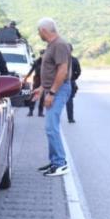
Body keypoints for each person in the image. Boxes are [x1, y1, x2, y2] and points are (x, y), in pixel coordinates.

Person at [34, 17, 72, 177]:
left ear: (44, 30)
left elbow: (62, 71)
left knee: (52, 127)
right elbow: (51, 71)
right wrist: (42, 88)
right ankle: (55, 161)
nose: (38, 34)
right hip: (52, 89)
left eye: (38, 31)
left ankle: (60, 163)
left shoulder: (60, 45)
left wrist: (52, 93)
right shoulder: (52, 45)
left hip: (59, 90)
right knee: (50, 128)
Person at [23, 50, 44, 117]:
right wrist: (26, 78)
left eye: (44, 54)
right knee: (34, 96)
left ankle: (40, 112)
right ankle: (31, 111)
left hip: (44, 81)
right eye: (41, 54)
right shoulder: (37, 62)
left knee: (42, 97)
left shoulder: (48, 62)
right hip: (37, 80)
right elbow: (31, 70)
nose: (43, 56)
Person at [66, 44, 82, 124]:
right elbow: (78, 72)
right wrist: (73, 78)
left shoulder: (60, 59)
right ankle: (70, 118)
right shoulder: (74, 60)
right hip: (70, 81)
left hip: (61, 82)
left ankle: (55, 119)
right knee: (69, 101)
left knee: (58, 101)